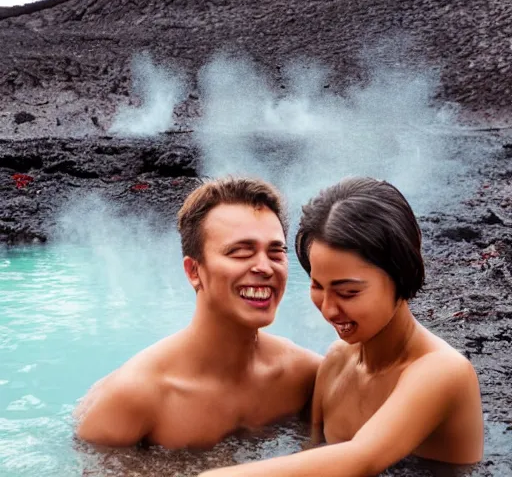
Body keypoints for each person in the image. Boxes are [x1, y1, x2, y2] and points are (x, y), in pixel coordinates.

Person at [199, 177, 484, 477]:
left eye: (348, 292)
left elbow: (360, 459)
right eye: (318, 286)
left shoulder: (444, 372)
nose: (329, 309)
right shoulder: (336, 363)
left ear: (401, 272)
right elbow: (313, 460)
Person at [74, 176, 322, 449]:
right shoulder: (133, 398)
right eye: (240, 252)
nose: (265, 267)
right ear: (193, 271)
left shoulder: (305, 376)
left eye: (276, 253)